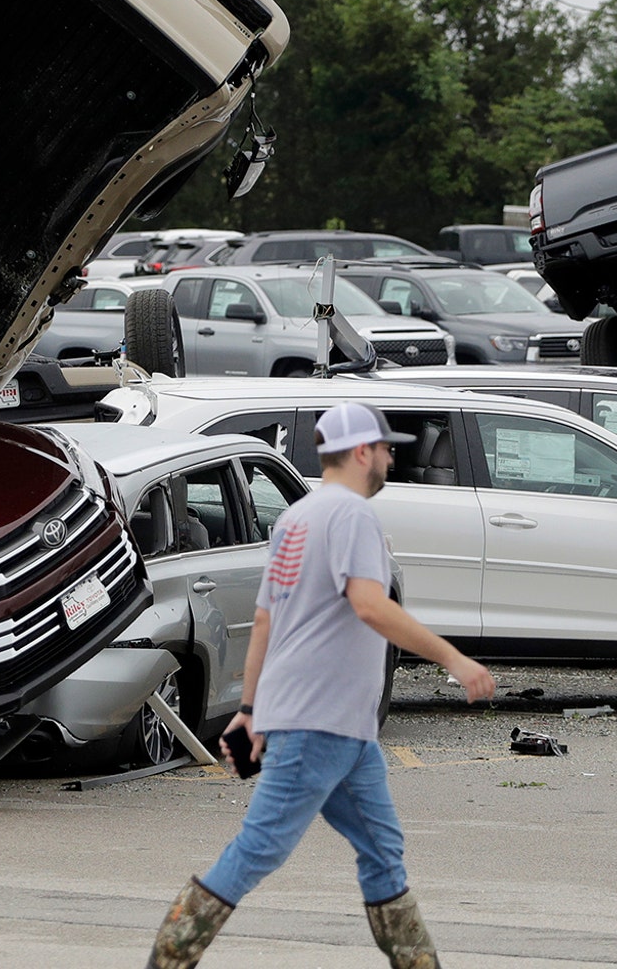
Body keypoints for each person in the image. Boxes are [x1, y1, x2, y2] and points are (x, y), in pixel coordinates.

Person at [144, 402, 496, 969]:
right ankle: (168, 959)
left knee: (383, 852)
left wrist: (252, 708)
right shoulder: (352, 518)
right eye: (385, 448)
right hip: (318, 721)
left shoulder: (294, 520)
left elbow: (267, 619)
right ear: (361, 453)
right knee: (260, 847)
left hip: (343, 726)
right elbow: (369, 604)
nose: (389, 457)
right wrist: (454, 659)